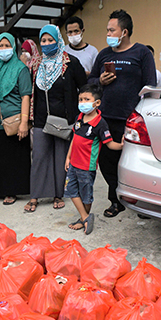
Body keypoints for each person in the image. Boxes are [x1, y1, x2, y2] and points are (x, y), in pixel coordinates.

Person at [88, 9, 156, 218]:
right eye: (107, 30)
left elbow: (150, 85)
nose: (108, 34)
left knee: (137, 162)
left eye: (111, 30)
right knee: (107, 162)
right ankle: (116, 200)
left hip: (131, 120)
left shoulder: (141, 53)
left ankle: (141, 202)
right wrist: (100, 81)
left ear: (124, 31)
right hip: (106, 118)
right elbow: (89, 82)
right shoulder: (104, 54)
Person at [25, 24, 87, 213]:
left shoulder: (70, 63)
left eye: (50, 40)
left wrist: (79, 113)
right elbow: (30, 92)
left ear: (58, 40)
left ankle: (58, 194)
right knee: (39, 156)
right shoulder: (36, 64)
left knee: (61, 158)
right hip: (41, 119)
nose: (46, 44)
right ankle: (35, 195)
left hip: (64, 120)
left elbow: (83, 87)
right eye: (43, 41)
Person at [65, 83, 123, 234]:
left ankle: (83, 218)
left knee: (86, 195)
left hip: (86, 167)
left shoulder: (101, 124)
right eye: (80, 100)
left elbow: (110, 145)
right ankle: (85, 217)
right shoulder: (79, 117)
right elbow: (74, 139)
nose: (82, 103)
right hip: (73, 164)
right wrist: (68, 157)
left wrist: (122, 144)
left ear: (97, 103)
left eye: (86, 99)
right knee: (71, 191)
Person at [0, 32, 32, 205]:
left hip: (15, 120)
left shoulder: (20, 69)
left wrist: (24, 123)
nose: (3, 49)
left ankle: (12, 191)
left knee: (14, 157)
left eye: (7, 45)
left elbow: (25, 97)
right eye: (0, 46)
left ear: (13, 47)